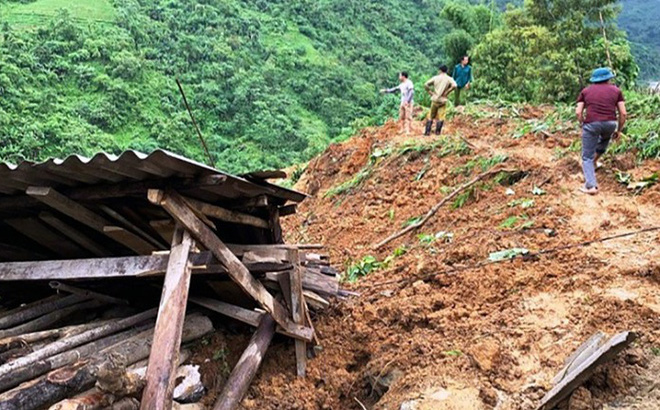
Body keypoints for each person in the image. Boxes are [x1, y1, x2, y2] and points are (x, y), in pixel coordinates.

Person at [575, 67, 627, 195]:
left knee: (586, 156)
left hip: (592, 123)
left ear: (594, 80)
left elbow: (578, 111)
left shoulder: (586, 91)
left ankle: (591, 186)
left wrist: (582, 122)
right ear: (608, 78)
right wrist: (619, 130)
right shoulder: (616, 91)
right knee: (604, 140)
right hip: (610, 123)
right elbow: (623, 113)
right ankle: (595, 162)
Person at [424, 65, 457, 136]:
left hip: (435, 99)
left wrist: (430, 92)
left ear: (440, 70)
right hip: (443, 100)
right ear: (446, 71)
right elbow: (454, 85)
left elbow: (426, 84)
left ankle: (427, 132)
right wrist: (447, 92)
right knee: (441, 116)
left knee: (431, 115)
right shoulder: (449, 79)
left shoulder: (436, 78)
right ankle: (437, 132)